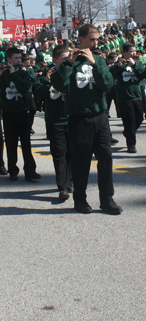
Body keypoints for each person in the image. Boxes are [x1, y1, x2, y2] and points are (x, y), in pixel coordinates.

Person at [51, 24, 123, 215]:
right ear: (81, 38)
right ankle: (80, 200)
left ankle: (107, 199)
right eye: (92, 39)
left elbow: (107, 84)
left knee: (106, 158)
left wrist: (95, 64)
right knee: (81, 161)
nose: (95, 42)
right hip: (79, 119)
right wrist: (68, 62)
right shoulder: (71, 61)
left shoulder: (98, 59)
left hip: (100, 117)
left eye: (97, 39)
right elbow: (58, 84)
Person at [0, 48, 40, 181]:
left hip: (23, 113)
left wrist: (13, 74)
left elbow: (25, 88)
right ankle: (13, 170)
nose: (18, 60)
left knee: (26, 144)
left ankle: (30, 171)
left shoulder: (23, 73)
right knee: (11, 144)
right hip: (9, 114)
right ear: (9, 60)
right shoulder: (3, 74)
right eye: (16, 58)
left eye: (19, 58)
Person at [35, 45, 72, 199]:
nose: (67, 61)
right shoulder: (47, 74)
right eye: (64, 59)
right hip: (55, 120)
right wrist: (46, 82)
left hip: (72, 118)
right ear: (55, 60)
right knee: (59, 153)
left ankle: (70, 181)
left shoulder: (73, 72)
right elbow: (38, 94)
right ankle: (63, 187)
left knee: (72, 153)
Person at [110, 42, 145, 153]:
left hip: (137, 95)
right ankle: (131, 144)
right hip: (124, 97)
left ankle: (128, 132)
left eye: (134, 51)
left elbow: (142, 75)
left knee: (139, 118)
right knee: (129, 120)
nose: (133, 53)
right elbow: (111, 75)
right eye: (131, 51)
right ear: (125, 52)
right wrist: (119, 67)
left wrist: (134, 65)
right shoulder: (119, 64)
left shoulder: (138, 63)